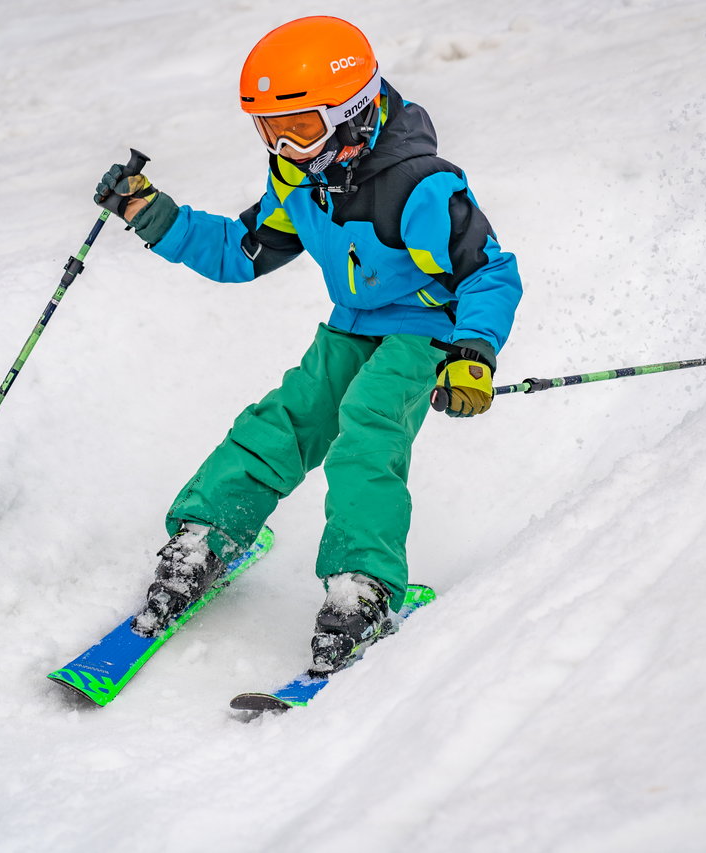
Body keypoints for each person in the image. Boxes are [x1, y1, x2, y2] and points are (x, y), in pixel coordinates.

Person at [94, 15, 521, 674]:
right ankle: (211, 532)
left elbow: (489, 270)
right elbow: (243, 250)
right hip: (354, 322)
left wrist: (474, 354)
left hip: (430, 327)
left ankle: (363, 585)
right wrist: (157, 217)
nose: (286, 146)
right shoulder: (305, 179)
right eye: (271, 131)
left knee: (368, 424)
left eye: (300, 128)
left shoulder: (418, 185)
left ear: (352, 114)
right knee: (289, 416)